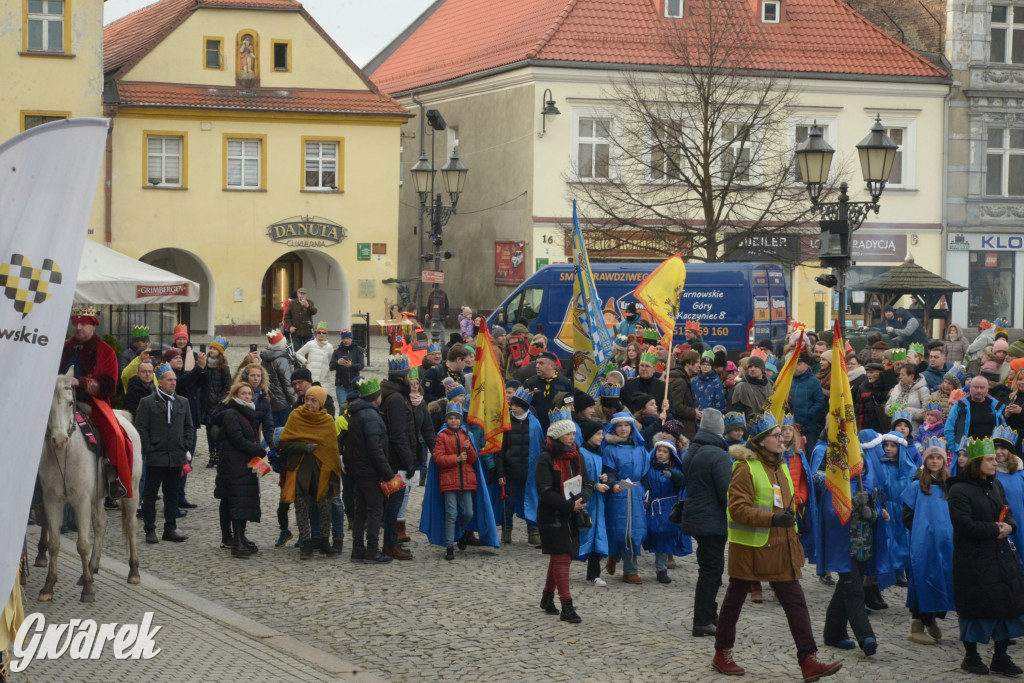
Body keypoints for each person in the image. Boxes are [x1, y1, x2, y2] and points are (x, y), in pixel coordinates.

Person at [712, 411, 841, 680]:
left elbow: (785, 505)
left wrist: (791, 527)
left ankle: (808, 659)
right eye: (775, 435)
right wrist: (772, 519)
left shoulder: (781, 465)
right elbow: (737, 509)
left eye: (782, 434)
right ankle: (722, 653)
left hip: (781, 546)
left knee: (796, 604)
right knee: (734, 602)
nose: (782, 439)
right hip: (750, 548)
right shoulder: (744, 468)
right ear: (761, 441)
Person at [948, 437, 1024, 676]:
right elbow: (963, 524)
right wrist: (995, 529)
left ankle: (1000, 657)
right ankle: (971, 657)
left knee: (1005, 604)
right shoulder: (959, 489)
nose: (995, 462)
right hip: (974, 559)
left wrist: (1010, 526)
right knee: (975, 607)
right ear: (977, 462)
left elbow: (1007, 511)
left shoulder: (996, 485)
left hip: (1000, 556)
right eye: (990, 459)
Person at [811, 428, 890, 657]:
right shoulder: (837, 485)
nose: (859, 466)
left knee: (844, 591)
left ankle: (833, 633)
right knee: (855, 592)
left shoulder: (868, 486)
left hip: (863, 548)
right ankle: (866, 637)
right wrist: (853, 504)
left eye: (861, 462)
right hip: (843, 548)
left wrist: (870, 512)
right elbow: (831, 513)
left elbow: (876, 517)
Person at [60, 305, 134, 500]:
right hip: (60, 401)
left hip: (91, 403)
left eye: (83, 324)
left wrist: (81, 382)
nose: (78, 328)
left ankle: (113, 478)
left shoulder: (105, 351)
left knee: (115, 434)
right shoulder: (63, 347)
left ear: (93, 326)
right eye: (75, 324)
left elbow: (109, 385)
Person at [536, 407, 594, 625]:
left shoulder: (577, 455)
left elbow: (587, 482)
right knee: (562, 556)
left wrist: (583, 498)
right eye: (568, 433)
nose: (572, 437)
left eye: (573, 433)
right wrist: (569, 505)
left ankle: (547, 597)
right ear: (558, 435)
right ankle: (566, 606)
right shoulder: (545, 458)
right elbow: (545, 491)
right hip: (552, 514)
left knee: (561, 555)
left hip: (572, 513)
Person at [680, 409, 730, 637]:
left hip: (698, 515)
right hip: (711, 519)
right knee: (711, 570)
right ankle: (702, 619)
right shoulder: (717, 454)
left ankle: (709, 613)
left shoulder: (694, 450)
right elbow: (727, 492)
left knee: (709, 568)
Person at [278, 385, 342, 560]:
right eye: (307, 399)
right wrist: (304, 447)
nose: (309, 403)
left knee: (325, 505)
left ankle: (324, 542)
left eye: (314, 400)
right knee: (301, 506)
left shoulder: (327, 421)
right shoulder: (296, 416)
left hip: (322, 469)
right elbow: (284, 442)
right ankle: (306, 543)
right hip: (300, 467)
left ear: (321, 403)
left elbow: (332, 448)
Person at [900, 437, 955, 645]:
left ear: (943, 461)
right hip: (924, 543)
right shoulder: (917, 486)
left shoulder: (949, 486)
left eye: (938, 458)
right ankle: (917, 625)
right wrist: (922, 530)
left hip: (946, 543)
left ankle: (932, 618)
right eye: (931, 458)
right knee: (924, 579)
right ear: (925, 461)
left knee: (944, 578)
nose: (934, 461)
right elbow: (907, 515)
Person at [135, 363, 193, 544]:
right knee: (150, 495)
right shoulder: (147, 402)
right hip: (156, 456)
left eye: (174, 380)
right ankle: (150, 529)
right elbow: (141, 427)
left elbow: (189, 427)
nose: (173, 383)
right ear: (160, 382)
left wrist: (184, 445)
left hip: (176, 456)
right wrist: (149, 448)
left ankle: (170, 528)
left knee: (172, 494)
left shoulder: (183, 402)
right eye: (169, 380)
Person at [343, 378, 394, 564]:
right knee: (375, 510)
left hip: (358, 470)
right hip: (371, 472)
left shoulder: (356, 414)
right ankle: (372, 550)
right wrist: (387, 472)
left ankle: (358, 549)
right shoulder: (371, 416)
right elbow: (375, 448)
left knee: (361, 511)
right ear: (376, 398)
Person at [216, 381, 266, 558]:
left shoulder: (247, 412)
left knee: (244, 502)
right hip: (234, 466)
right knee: (237, 502)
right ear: (236, 395)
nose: (247, 396)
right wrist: (258, 450)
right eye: (243, 393)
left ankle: (241, 537)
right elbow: (237, 439)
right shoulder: (232, 414)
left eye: (249, 393)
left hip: (244, 465)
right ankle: (236, 541)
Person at [601, 412, 649, 584]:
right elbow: (609, 471)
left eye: (626, 425)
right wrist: (613, 484)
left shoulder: (640, 449)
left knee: (634, 532)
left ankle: (630, 571)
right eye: (619, 426)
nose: (623, 429)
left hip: (636, 492)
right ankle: (613, 556)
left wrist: (647, 492)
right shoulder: (610, 450)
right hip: (618, 494)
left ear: (632, 427)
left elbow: (646, 473)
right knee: (619, 530)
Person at [379, 354, 417, 561]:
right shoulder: (396, 398)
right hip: (395, 461)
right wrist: (408, 461)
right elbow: (398, 433)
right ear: (403, 377)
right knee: (394, 503)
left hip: (392, 457)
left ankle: (391, 543)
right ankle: (390, 545)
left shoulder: (393, 394)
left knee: (392, 503)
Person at [496, 388, 544, 545]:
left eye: (517, 405)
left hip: (530, 472)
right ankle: (507, 529)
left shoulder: (535, 424)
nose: (513, 407)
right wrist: (501, 473)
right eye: (513, 404)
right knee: (509, 503)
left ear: (525, 407)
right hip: (511, 472)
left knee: (531, 500)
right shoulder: (506, 422)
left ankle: (533, 530)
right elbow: (500, 450)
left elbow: (539, 448)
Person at [434, 405, 478, 560]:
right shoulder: (442, 436)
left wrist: (469, 449)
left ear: (461, 420)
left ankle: (460, 532)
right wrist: (456, 459)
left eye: (456, 418)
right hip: (449, 481)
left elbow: (473, 459)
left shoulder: (466, 435)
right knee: (451, 513)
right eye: (451, 418)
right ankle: (449, 546)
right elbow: (438, 457)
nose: (453, 421)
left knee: (468, 512)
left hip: (466, 480)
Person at [644, 439, 688, 584]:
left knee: (664, 536)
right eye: (659, 451)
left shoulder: (675, 469)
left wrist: (674, 475)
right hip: (652, 507)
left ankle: (661, 569)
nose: (661, 454)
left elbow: (682, 482)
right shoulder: (649, 468)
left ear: (670, 455)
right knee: (651, 534)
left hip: (668, 507)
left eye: (664, 452)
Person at [576, 419, 610, 587]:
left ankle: (594, 574)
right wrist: (595, 485)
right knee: (583, 536)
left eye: (602, 434)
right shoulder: (581, 454)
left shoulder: (598, 453)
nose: (601, 437)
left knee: (597, 537)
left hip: (598, 503)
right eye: (597, 434)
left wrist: (604, 477)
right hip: (586, 501)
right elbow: (580, 477)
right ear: (589, 435)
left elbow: (599, 473)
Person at [946, 375, 1007, 447]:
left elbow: (1003, 429)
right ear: (970, 388)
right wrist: (954, 449)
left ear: (987, 389)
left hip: (989, 449)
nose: (979, 390)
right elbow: (949, 428)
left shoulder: (996, 406)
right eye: (976, 387)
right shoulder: (960, 406)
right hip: (965, 450)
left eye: (982, 388)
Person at [994, 426, 1024, 563]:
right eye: (995, 448)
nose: (998, 452)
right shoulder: (991, 474)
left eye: (1003, 448)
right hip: (1000, 523)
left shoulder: (1020, 473)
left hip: (1020, 521)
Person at [525, 351, 574, 433]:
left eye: (541, 363)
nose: (537, 366)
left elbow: (570, 406)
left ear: (552, 365)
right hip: (536, 428)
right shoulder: (530, 383)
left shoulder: (565, 383)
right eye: (537, 363)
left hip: (558, 429)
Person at [203, 336, 232, 469]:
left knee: (218, 432)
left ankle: (220, 455)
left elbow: (227, 387)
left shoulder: (224, 367)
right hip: (207, 404)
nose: (212, 350)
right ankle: (212, 455)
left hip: (218, 405)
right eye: (211, 348)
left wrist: (220, 401)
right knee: (209, 433)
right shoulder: (205, 365)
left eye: (214, 349)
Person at [261, 330, 297, 427]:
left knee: (274, 431)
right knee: (286, 430)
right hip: (283, 403)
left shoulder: (264, 360)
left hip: (270, 402)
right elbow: (287, 383)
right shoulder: (282, 360)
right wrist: (295, 401)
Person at [885, 364, 931, 433]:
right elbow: (887, 407)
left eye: (903, 375)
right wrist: (890, 408)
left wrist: (905, 410)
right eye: (900, 374)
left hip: (913, 432)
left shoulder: (922, 390)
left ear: (911, 376)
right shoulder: (897, 387)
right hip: (895, 431)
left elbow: (927, 412)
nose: (900, 377)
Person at [789, 353, 826, 437]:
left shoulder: (814, 381)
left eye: (798, 364)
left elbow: (820, 402)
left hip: (808, 428)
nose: (795, 366)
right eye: (794, 363)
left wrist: (808, 414)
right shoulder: (789, 380)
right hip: (790, 426)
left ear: (806, 366)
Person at [668, 349, 701, 441]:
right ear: (687, 363)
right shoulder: (681, 382)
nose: (699, 365)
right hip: (682, 429)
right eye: (697, 362)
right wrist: (693, 412)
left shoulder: (683, 378)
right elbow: (675, 406)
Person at [728, 354, 773, 420]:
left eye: (756, 366)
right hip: (749, 424)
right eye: (750, 367)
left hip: (770, 422)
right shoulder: (741, 387)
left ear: (762, 369)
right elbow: (737, 414)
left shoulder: (770, 384)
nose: (752, 369)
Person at [329, 329, 365, 408]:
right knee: (343, 407)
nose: (346, 340)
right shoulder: (337, 351)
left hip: (355, 386)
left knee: (355, 408)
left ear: (351, 339)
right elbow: (331, 366)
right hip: (341, 386)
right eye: (344, 338)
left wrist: (352, 365)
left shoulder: (358, 350)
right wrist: (338, 363)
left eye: (348, 338)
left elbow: (361, 365)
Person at [296, 321, 334, 387]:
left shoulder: (330, 346)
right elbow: (298, 353)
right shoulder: (310, 343)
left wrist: (326, 368)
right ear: (316, 333)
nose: (321, 334)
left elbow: (330, 360)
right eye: (319, 332)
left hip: (324, 378)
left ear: (326, 334)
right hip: (312, 376)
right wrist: (305, 362)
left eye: (324, 333)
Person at [856, 363, 890, 432]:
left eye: (871, 372)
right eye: (867, 372)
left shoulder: (888, 386)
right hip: (868, 429)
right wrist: (859, 430)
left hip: (885, 429)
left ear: (880, 373)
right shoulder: (863, 388)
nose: (868, 375)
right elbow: (859, 413)